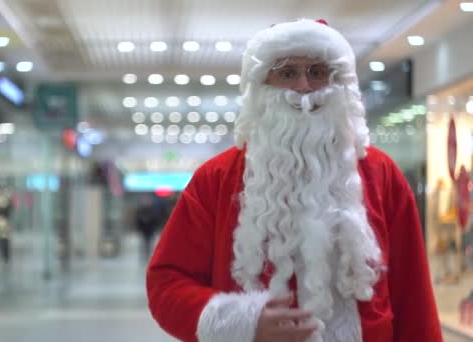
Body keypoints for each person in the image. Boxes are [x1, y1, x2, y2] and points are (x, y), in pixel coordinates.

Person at [146, 18, 442, 342]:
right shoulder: (216, 179)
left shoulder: (381, 174)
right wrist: (243, 322)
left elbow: (414, 296)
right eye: (288, 73)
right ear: (262, 86)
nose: (303, 87)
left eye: (317, 73)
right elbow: (166, 283)